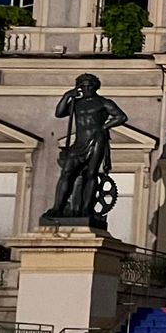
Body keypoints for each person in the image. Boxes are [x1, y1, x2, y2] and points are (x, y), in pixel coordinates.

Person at [42, 74, 128, 224]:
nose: (87, 89)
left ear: (95, 86)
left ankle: (87, 209)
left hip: (96, 140)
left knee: (91, 174)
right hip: (79, 142)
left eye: (90, 86)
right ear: (79, 87)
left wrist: (103, 127)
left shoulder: (103, 102)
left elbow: (121, 117)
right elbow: (59, 113)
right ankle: (58, 208)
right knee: (67, 172)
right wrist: (67, 95)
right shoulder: (77, 103)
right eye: (83, 86)